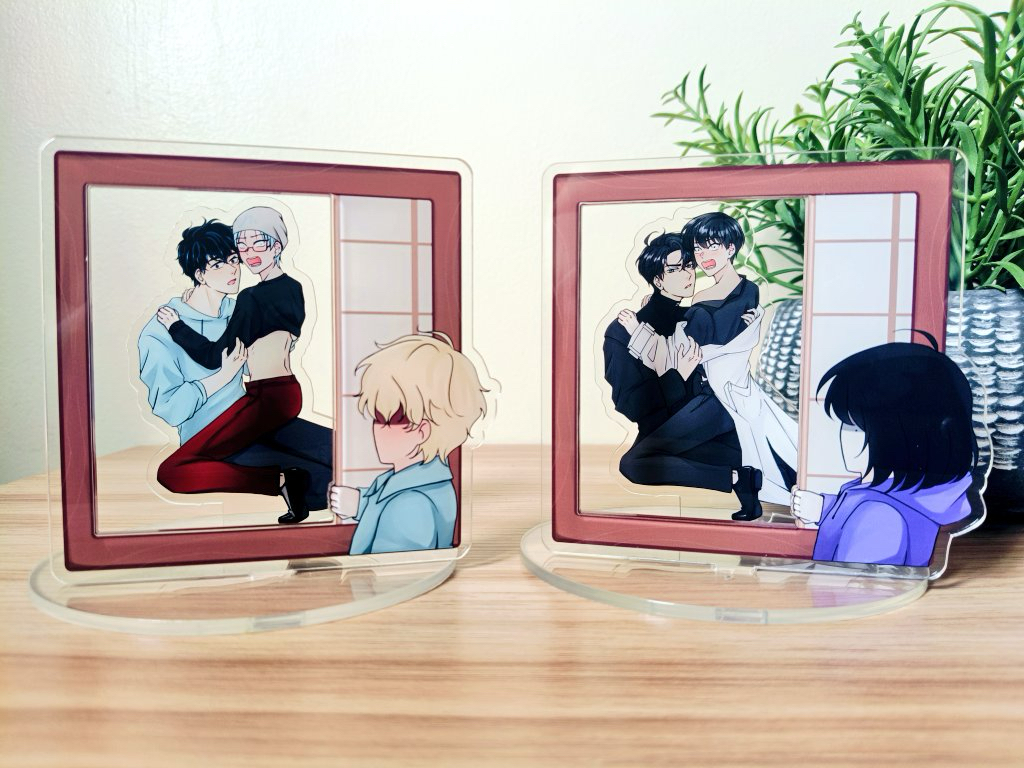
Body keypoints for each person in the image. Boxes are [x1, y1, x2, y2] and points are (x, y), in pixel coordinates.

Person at [138, 219, 332, 513]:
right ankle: (282, 482)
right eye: (218, 265)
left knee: (339, 451)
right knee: (319, 479)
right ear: (200, 274)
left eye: (233, 260)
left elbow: (263, 357)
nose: (233, 270)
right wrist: (221, 376)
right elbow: (171, 408)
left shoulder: (238, 308)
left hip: (254, 415)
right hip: (213, 436)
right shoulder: (159, 332)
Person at [619, 212, 798, 519]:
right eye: (698, 249)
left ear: (731, 248)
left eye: (712, 246)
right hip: (703, 392)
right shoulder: (702, 297)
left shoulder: (746, 291)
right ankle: (745, 484)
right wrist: (660, 308)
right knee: (663, 455)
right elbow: (691, 333)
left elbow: (711, 335)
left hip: (720, 398)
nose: (704, 256)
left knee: (635, 462)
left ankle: (738, 479)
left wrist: (652, 323)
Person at [603, 231, 758, 516]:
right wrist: (678, 375)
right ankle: (740, 478)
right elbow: (629, 404)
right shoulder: (622, 331)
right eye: (674, 269)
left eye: (689, 265)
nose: (688, 274)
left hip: (710, 411)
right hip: (668, 423)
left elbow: (744, 297)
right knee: (638, 464)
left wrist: (747, 321)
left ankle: (742, 479)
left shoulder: (697, 315)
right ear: (658, 280)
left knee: (635, 463)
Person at [791, 336, 982, 567]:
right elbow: (883, 499)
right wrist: (825, 509)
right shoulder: (913, 494)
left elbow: (849, 582)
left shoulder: (879, 516)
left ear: (902, 436)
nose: (842, 435)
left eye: (855, 428)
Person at [329, 333, 487, 555]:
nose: (376, 429)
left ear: (422, 431)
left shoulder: (411, 505)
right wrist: (361, 504)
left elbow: (389, 569)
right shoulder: (427, 483)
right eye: (376, 417)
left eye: (390, 419)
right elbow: (387, 504)